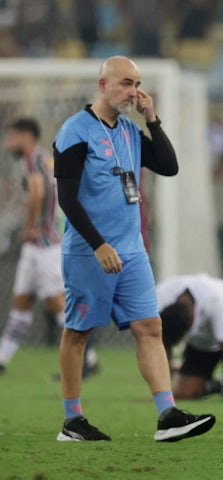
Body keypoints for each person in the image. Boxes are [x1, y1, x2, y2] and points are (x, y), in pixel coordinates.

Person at [52, 56, 215, 442]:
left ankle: (167, 415)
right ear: (103, 84)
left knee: (150, 326)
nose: (134, 91)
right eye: (126, 83)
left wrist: (152, 120)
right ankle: (72, 421)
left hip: (132, 251)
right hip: (89, 252)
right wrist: (98, 244)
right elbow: (67, 200)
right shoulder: (74, 132)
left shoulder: (128, 130)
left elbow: (169, 166)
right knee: (79, 332)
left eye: (137, 84)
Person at [0, 118, 97, 377]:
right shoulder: (47, 158)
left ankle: (87, 357)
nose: (8, 143)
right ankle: (2, 358)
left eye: (11, 137)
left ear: (26, 136)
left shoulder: (33, 159)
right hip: (41, 246)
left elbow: (37, 192)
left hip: (44, 245)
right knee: (21, 301)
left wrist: (29, 226)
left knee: (56, 303)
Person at [156, 273, 223, 404]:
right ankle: (220, 384)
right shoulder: (161, 297)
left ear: (192, 319)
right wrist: (163, 389)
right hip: (204, 340)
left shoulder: (213, 299)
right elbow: (163, 342)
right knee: (184, 393)